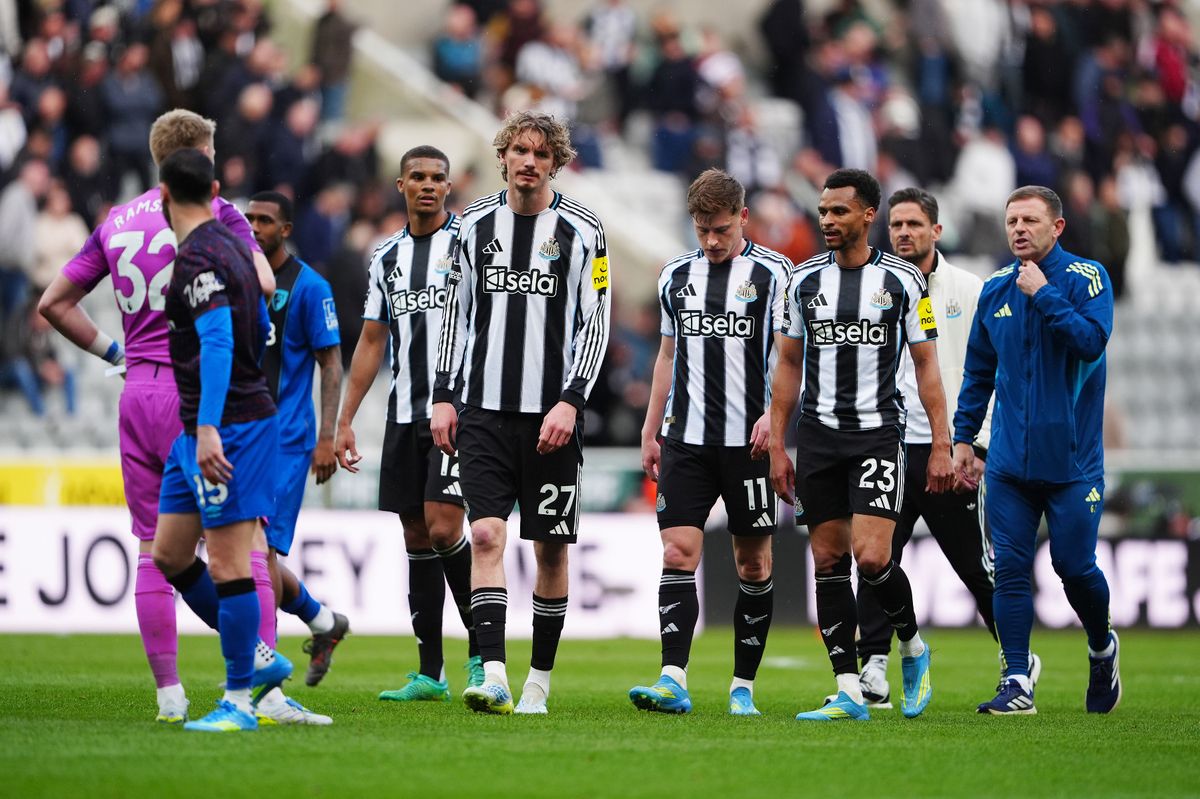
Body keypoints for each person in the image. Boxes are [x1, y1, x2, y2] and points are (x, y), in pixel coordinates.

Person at [38, 109, 275, 725]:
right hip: (195, 393)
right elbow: (264, 281)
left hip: (135, 392)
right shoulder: (215, 215)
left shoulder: (116, 221)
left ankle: (170, 697)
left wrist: (112, 352)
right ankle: (261, 691)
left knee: (155, 551)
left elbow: (54, 303)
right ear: (199, 156)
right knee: (243, 543)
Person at [431, 111, 611, 715]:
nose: (527, 161)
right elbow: (455, 315)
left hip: (551, 419)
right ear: (503, 156)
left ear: (556, 163)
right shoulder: (472, 227)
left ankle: (539, 676)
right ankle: (496, 674)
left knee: (550, 551)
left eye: (539, 153)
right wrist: (443, 395)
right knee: (483, 533)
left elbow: (597, 320)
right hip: (481, 411)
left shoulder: (585, 231)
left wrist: (571, 398)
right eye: (517, 150)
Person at [768, 168, 954, 722]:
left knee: (872, 557)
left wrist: (941, 443)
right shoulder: (802, 282)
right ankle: (849, 688)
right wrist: (778, 443)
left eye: (839, 211)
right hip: (819, 441)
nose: (827, 220)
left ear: (868, 215)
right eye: (823, 212)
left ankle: (913, 648)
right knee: (827, 559)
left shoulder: (903, 281)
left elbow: (927, 367)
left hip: (877, 435)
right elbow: (789, 365)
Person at [850, 188, 1042, 708]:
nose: (904, 233)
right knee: (874, 557)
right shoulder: (873, 289)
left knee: (977, 567)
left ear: (937, 231)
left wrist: (975, 445)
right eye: (896, 225)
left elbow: (998, 373)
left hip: (951, 452)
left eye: (914, 224)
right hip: (889, 443)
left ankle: (1016, 661)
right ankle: (875, 666)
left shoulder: (972, 289)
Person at [627, 168, 791, 716]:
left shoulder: (776, 275)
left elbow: (791, 360)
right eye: (702, 230)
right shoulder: (675, 276)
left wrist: (775, 417)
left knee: (753, 564)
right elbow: (668, 357)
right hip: (687, 441)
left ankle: (742, 684)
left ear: (743, 217)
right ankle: (673, 677)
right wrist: (651, 430)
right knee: (677, 551)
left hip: (750, 444)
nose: (712, 241)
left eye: (721, 229)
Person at [956, 186, 1120, 715]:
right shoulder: (996, 288)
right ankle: (1017, 681)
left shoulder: (1087, 278)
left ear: (1058, 227)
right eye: (1011, 220)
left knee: (1074, 568)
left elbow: (1091, 342)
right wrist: (963, 438)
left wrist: (1044, 293)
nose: (1019, 229)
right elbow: (978, 373)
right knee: (1008, 569)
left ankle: (1102, 647)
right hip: (1007, 465)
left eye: (1030, 219)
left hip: (1073, 465)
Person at [334, 146, 482, 702]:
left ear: (448, 186)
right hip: (403, 414)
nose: (427, 185)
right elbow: (372, 339)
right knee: (417, 535)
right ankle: (430, 672)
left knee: (446, 527)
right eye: (417, 177)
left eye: (437, 178)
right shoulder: (387, 257)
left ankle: (482, 658)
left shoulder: (469, 245)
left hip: (457, 411)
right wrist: (345, 419)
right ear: (399, 185)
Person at [148, 148, 283, 733]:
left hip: (226, 427)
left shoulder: (199, 257)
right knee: (171, 555)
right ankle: (259, 656)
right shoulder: (234, 246)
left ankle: (239, 701)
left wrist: (208, 427)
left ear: (161, 195)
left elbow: (221, 341)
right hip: (197, 425)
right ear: (216, 188)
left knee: (227, 559)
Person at [245, 191, 350, 704]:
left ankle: (262, 679)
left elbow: (331, 363)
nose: (255, 227)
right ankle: (323, 620)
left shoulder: (310, 287)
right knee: (247, 553)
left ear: (285, 228)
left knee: (258, 552)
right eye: (249, 219)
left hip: (286, 439)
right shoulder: (237, 278)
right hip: (240, 436)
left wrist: (326, 436)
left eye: (265, 220)